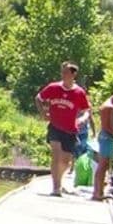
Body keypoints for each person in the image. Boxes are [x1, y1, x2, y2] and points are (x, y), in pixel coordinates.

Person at [34, 61, 91, 197]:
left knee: (66, 161)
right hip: (55, 127)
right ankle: (56, 188)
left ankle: (59, 180)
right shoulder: (53, 87)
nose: (63, 74)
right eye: (62, 72)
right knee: (56, 155)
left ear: (73, 74)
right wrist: (43, 113)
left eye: (66, 72)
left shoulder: (79, 92)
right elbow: (38, 98)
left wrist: (82, 119)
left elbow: (86, 110)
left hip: (70, 130)